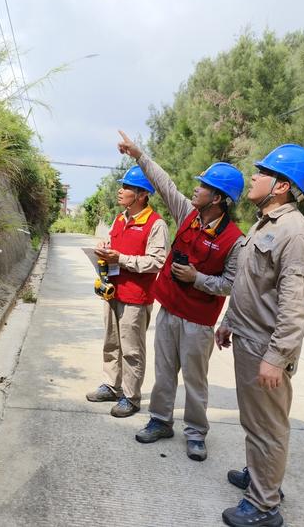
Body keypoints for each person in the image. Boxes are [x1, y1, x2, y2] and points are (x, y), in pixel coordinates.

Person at [117, 130, 244, 461]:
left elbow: (230, 284)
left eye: (203, 186)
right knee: (164, 372)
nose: (196, 188)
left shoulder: (235, 240)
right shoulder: (188, 214)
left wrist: (197, 278)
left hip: (199, 322)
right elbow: (165, 184)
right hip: (168, 311)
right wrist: (138, 155)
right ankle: (160, 420)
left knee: (195, 379)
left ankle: (196, 433)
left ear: (217, 198)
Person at [216, 144, 304, 527]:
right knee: (255, 422)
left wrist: (277, 357)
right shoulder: (265, 225)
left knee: (268, 427)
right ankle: (260, 475)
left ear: (280, 186)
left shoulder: (296, 234)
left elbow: (295, 307)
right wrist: (229, 319)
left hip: (266, 346)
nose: (253, 177)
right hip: (248, 337)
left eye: (261, 172)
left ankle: (263, 505)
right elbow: (249, 284)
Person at [86, 166, 169, 418]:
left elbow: (157, 261)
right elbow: (115, 246)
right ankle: (112, 385)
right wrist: (105, 247)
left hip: (136, 297)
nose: (120, 190)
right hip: (113, 292)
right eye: (122, 186)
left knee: (132, 350)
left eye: (127, 187)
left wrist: (120, 258)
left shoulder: (156, 225)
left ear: (142, 194)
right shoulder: (120, 218)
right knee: (111, 343)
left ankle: (131, 397)